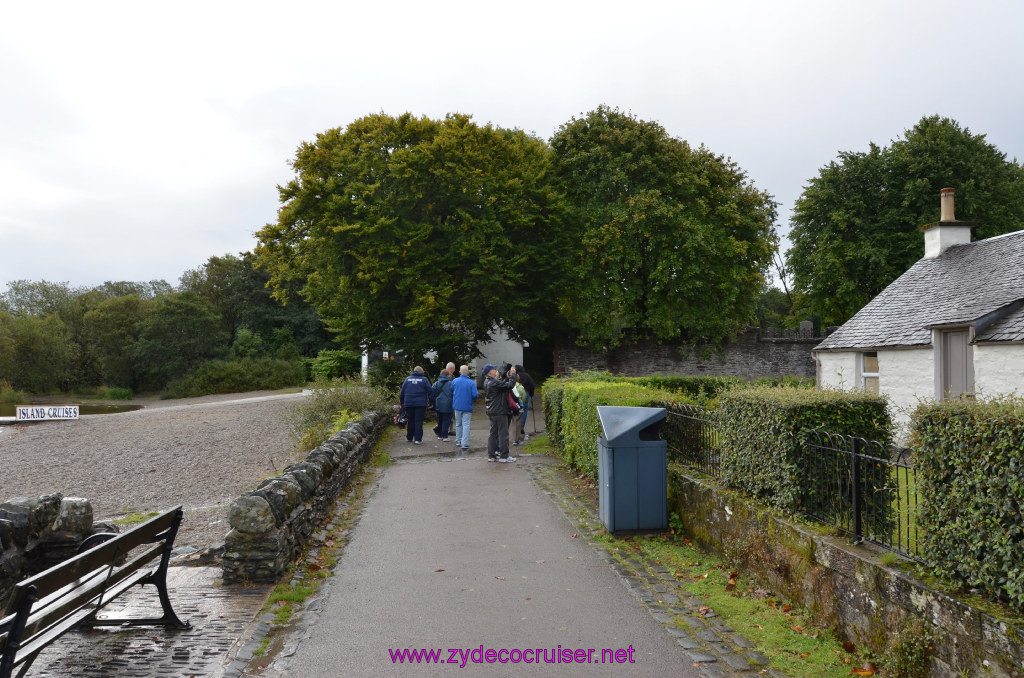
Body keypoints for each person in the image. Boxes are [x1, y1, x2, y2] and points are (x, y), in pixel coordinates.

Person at [483, 363, 517, 462]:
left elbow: (502, 386)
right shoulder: (493, 382)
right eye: (494, 369)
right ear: (490, 372)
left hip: (492, 410)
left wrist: (506, 378)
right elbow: (510, 385)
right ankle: (504, 456)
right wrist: (513, 375)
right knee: (503, 434)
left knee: (493, 434)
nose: (496, 370)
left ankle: (491, 455)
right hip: (500, 411)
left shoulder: (487, 381)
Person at [399, 366, 432, 445]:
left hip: (409, 403)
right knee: (418, 421)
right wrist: (431, 402)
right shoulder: (424, 379)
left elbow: (402, 391)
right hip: (420, 404)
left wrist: (401, 402)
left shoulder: (407, 379)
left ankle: (409, 437)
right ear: (422, 372)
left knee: (410, 420)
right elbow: (430, 391)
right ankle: (418, 439)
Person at [451, 365, 479, 451]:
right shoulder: (471, 383)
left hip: (457, 405)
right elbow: (475, 395)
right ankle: (464, 443)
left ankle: (458, 440)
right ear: (468, 372)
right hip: (467, 406)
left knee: (458, 424)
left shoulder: (455, 381)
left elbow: (451, 390)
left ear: (459, 372)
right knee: (466, 424)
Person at [430, 364, 455, 442]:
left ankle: (440, 435)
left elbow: (431, 393)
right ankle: (445, 436)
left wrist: (432, 402)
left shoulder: (436, 383)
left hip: (439, 404)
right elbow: (454, 394)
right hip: (448, 404)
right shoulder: (451, 384)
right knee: (446, 420)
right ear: (447, 375)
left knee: (440, 420)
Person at [515, 364, 535, 440]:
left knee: (516, 409)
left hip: (516, 393)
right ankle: (521, 426)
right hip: (525, 393)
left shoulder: (514, 376)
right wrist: (531, 394)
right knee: (525, 410)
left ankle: (516, 426)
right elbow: (532, 385)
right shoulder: (527, 376)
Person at [510, 373, 527, 446]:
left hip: (510, 407)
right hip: (518, 408)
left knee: (512, 423)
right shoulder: (520, 387)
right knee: (517, 423)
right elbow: (524, 398)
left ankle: (511, 438)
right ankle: (515, 439)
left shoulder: (508, 385)